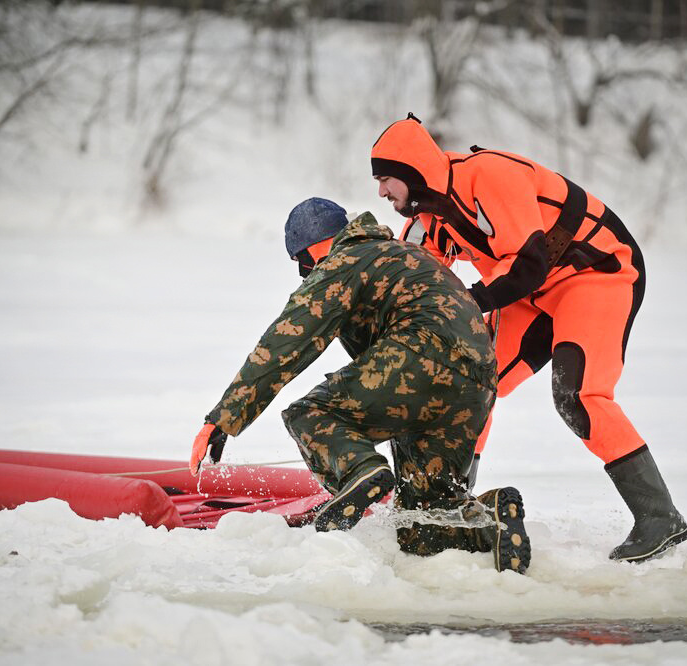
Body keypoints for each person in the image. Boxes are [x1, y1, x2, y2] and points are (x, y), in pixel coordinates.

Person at [370, 114, 687, 563]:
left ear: (413, 172)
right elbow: (415, 277)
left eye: (386, 179)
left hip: (595, 272)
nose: (381, 191)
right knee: (468, 385)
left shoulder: (490, 176)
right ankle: (448, 506)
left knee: (577, 395)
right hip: (530, 292)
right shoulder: (428, 216)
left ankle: (660, 519)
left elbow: (526, 264)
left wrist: (465, 300)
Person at [189, 197, 531, 574]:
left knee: (310, 414)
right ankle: (489, 522)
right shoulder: (401, 254)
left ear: (308, 249)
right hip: (474, 386)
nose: (304, 273)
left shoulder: (343, 262)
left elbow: (285, 343)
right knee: (422, 527)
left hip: (422, 357)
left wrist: (222, 419)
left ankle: (361, 470)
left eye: (300, 264)